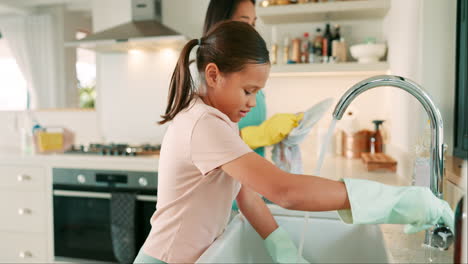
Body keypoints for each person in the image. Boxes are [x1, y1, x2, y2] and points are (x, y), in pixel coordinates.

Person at [134, 21, 453, 264]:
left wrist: (283, 250)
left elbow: (248, 196)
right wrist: (396, 201)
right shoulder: (204, 124)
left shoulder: (218, 121)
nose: (251, 102)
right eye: (248, 90)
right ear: (214, 75)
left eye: (257, 91)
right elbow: (285, 191)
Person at [203, 0, 301, 158]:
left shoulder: (245, 74)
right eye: (244, 22)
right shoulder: (204, 77)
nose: (251, 31)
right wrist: (259, 135)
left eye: (253, 24)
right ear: (221, 24)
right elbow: (208, 140)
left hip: (248, 172)